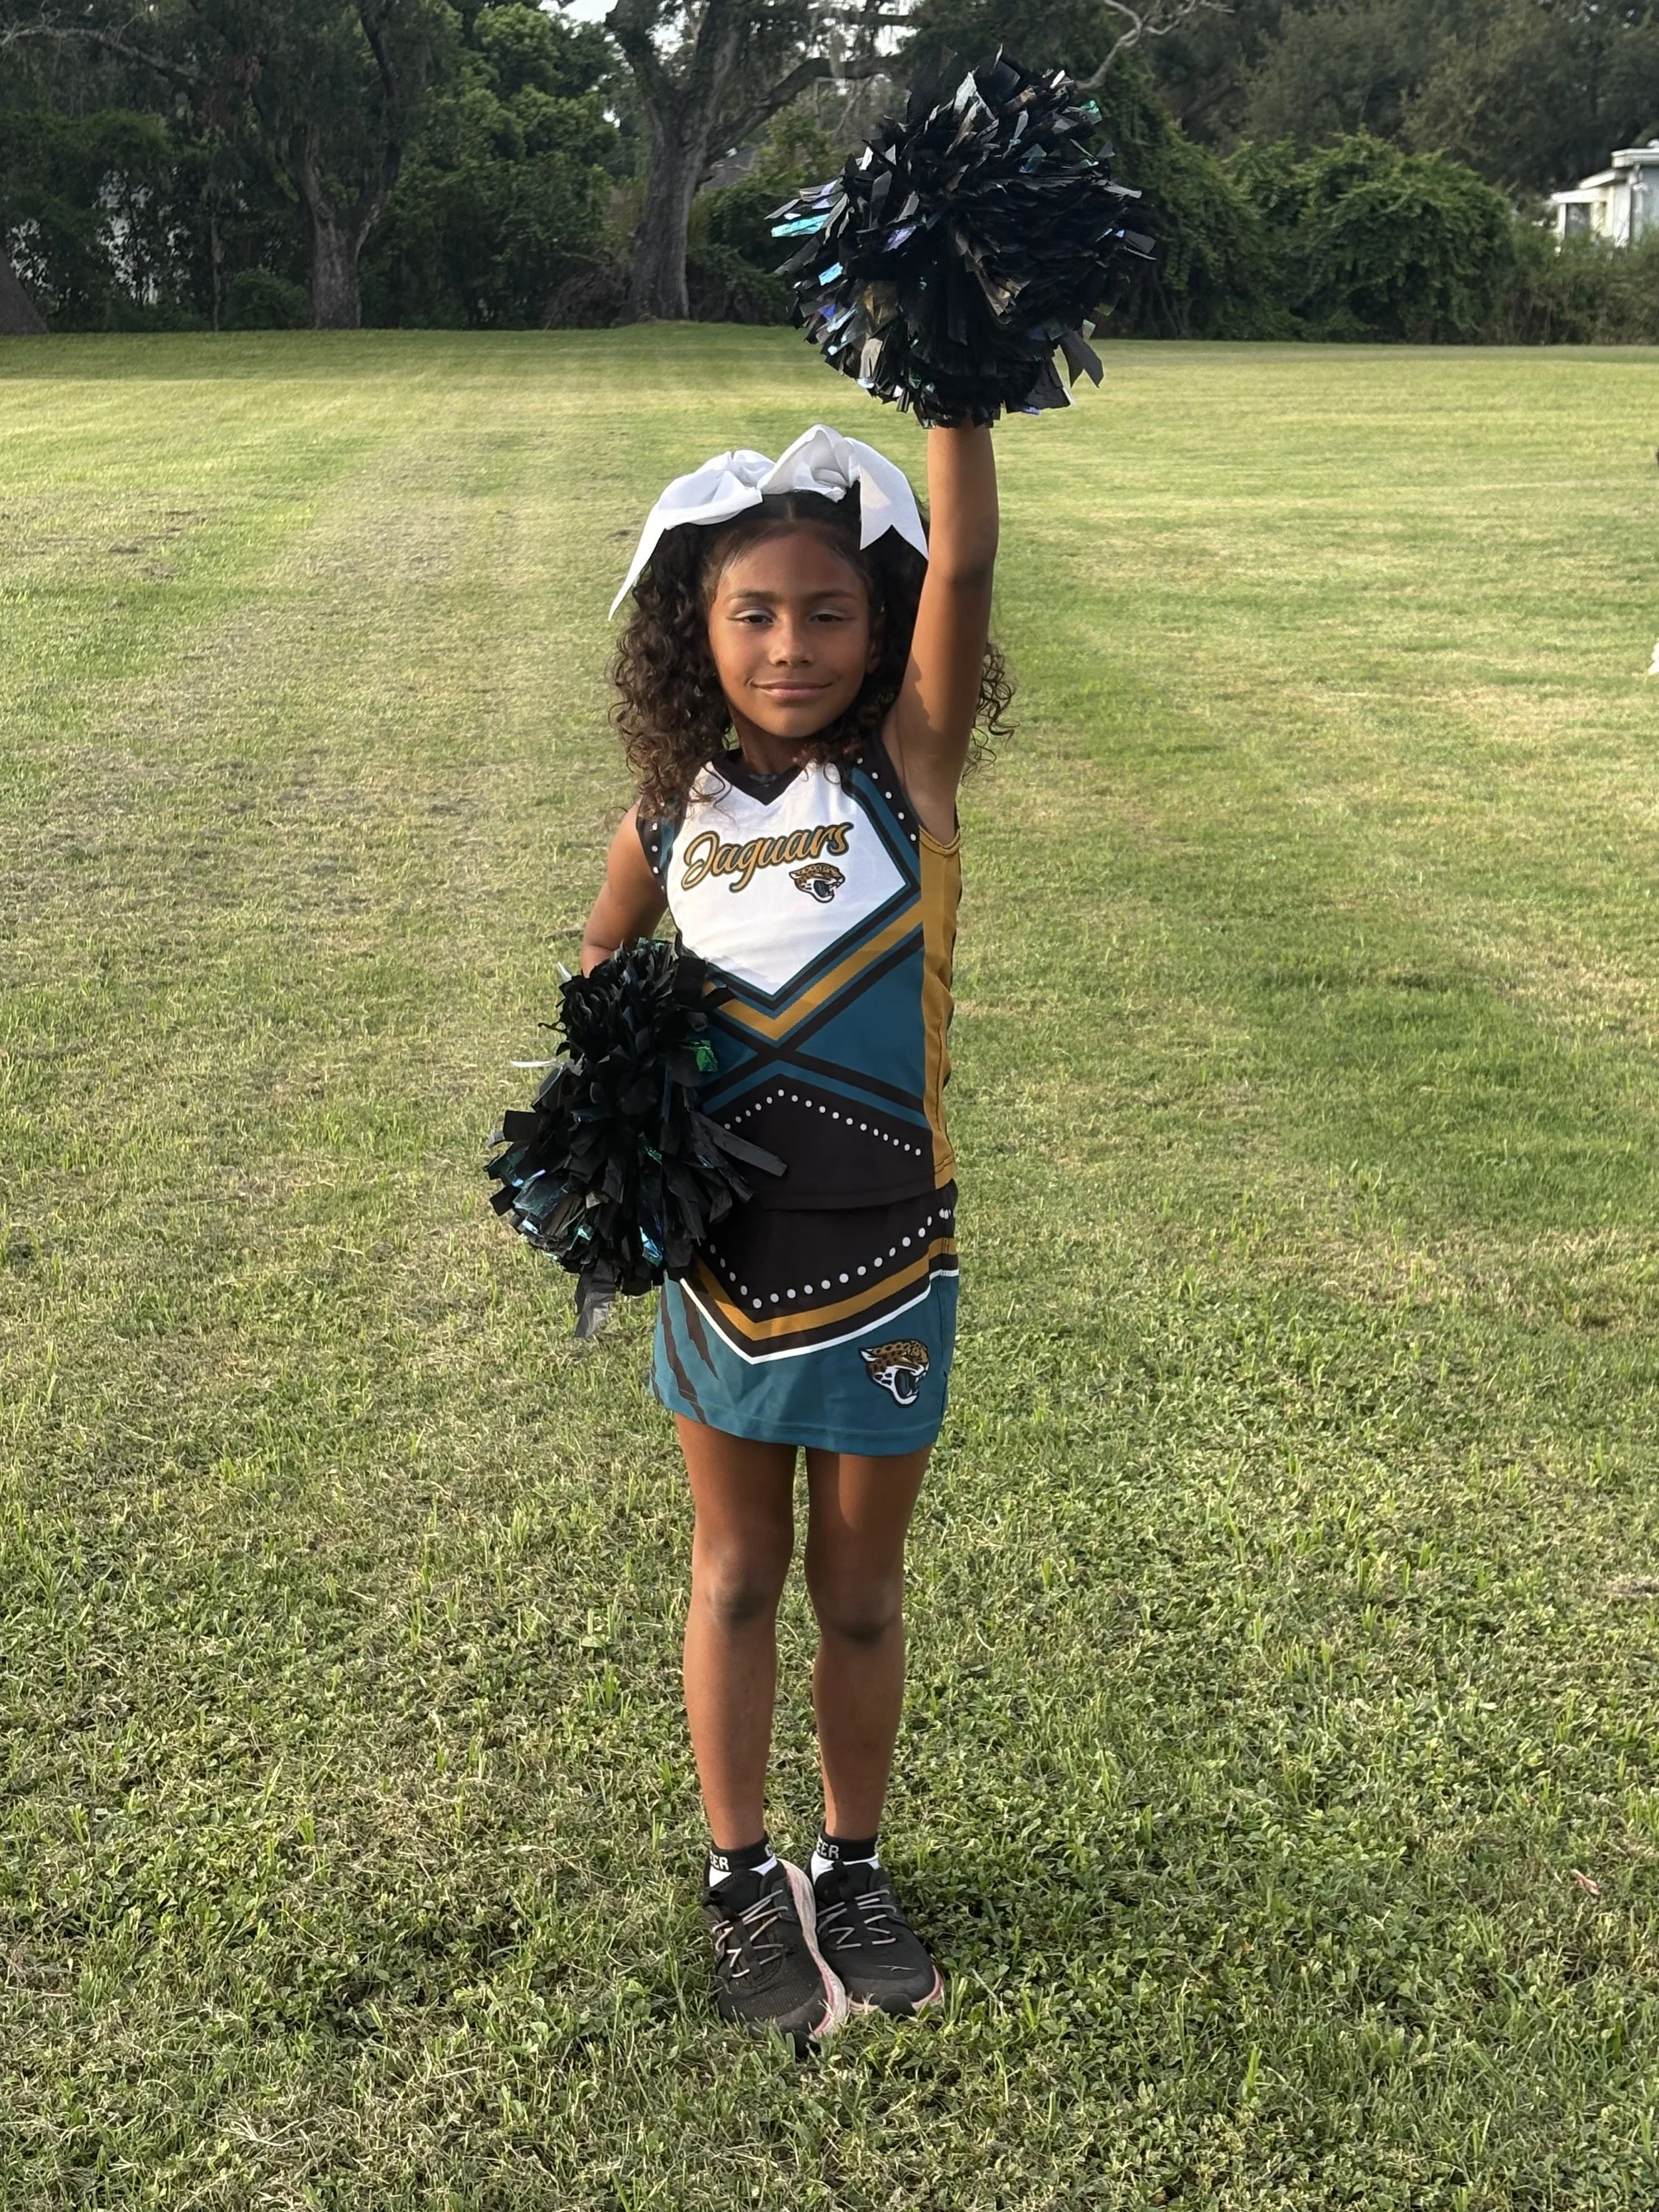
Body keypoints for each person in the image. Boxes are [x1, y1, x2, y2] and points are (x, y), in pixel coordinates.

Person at [579, 419, 1010, 2047]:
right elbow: (601, 959)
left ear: (881, 626)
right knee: (737, 1571)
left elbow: (962, 559)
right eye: (751, 611)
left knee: (862, 1589)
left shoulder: (909, 770)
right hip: (724, 1268)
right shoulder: (665, 814)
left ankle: (851, 1860)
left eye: (829, 612)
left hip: (891, 1251)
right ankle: (741, 1877)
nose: (788, 645)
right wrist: (618, 1097)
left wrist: (955, 401)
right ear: (693, 627)